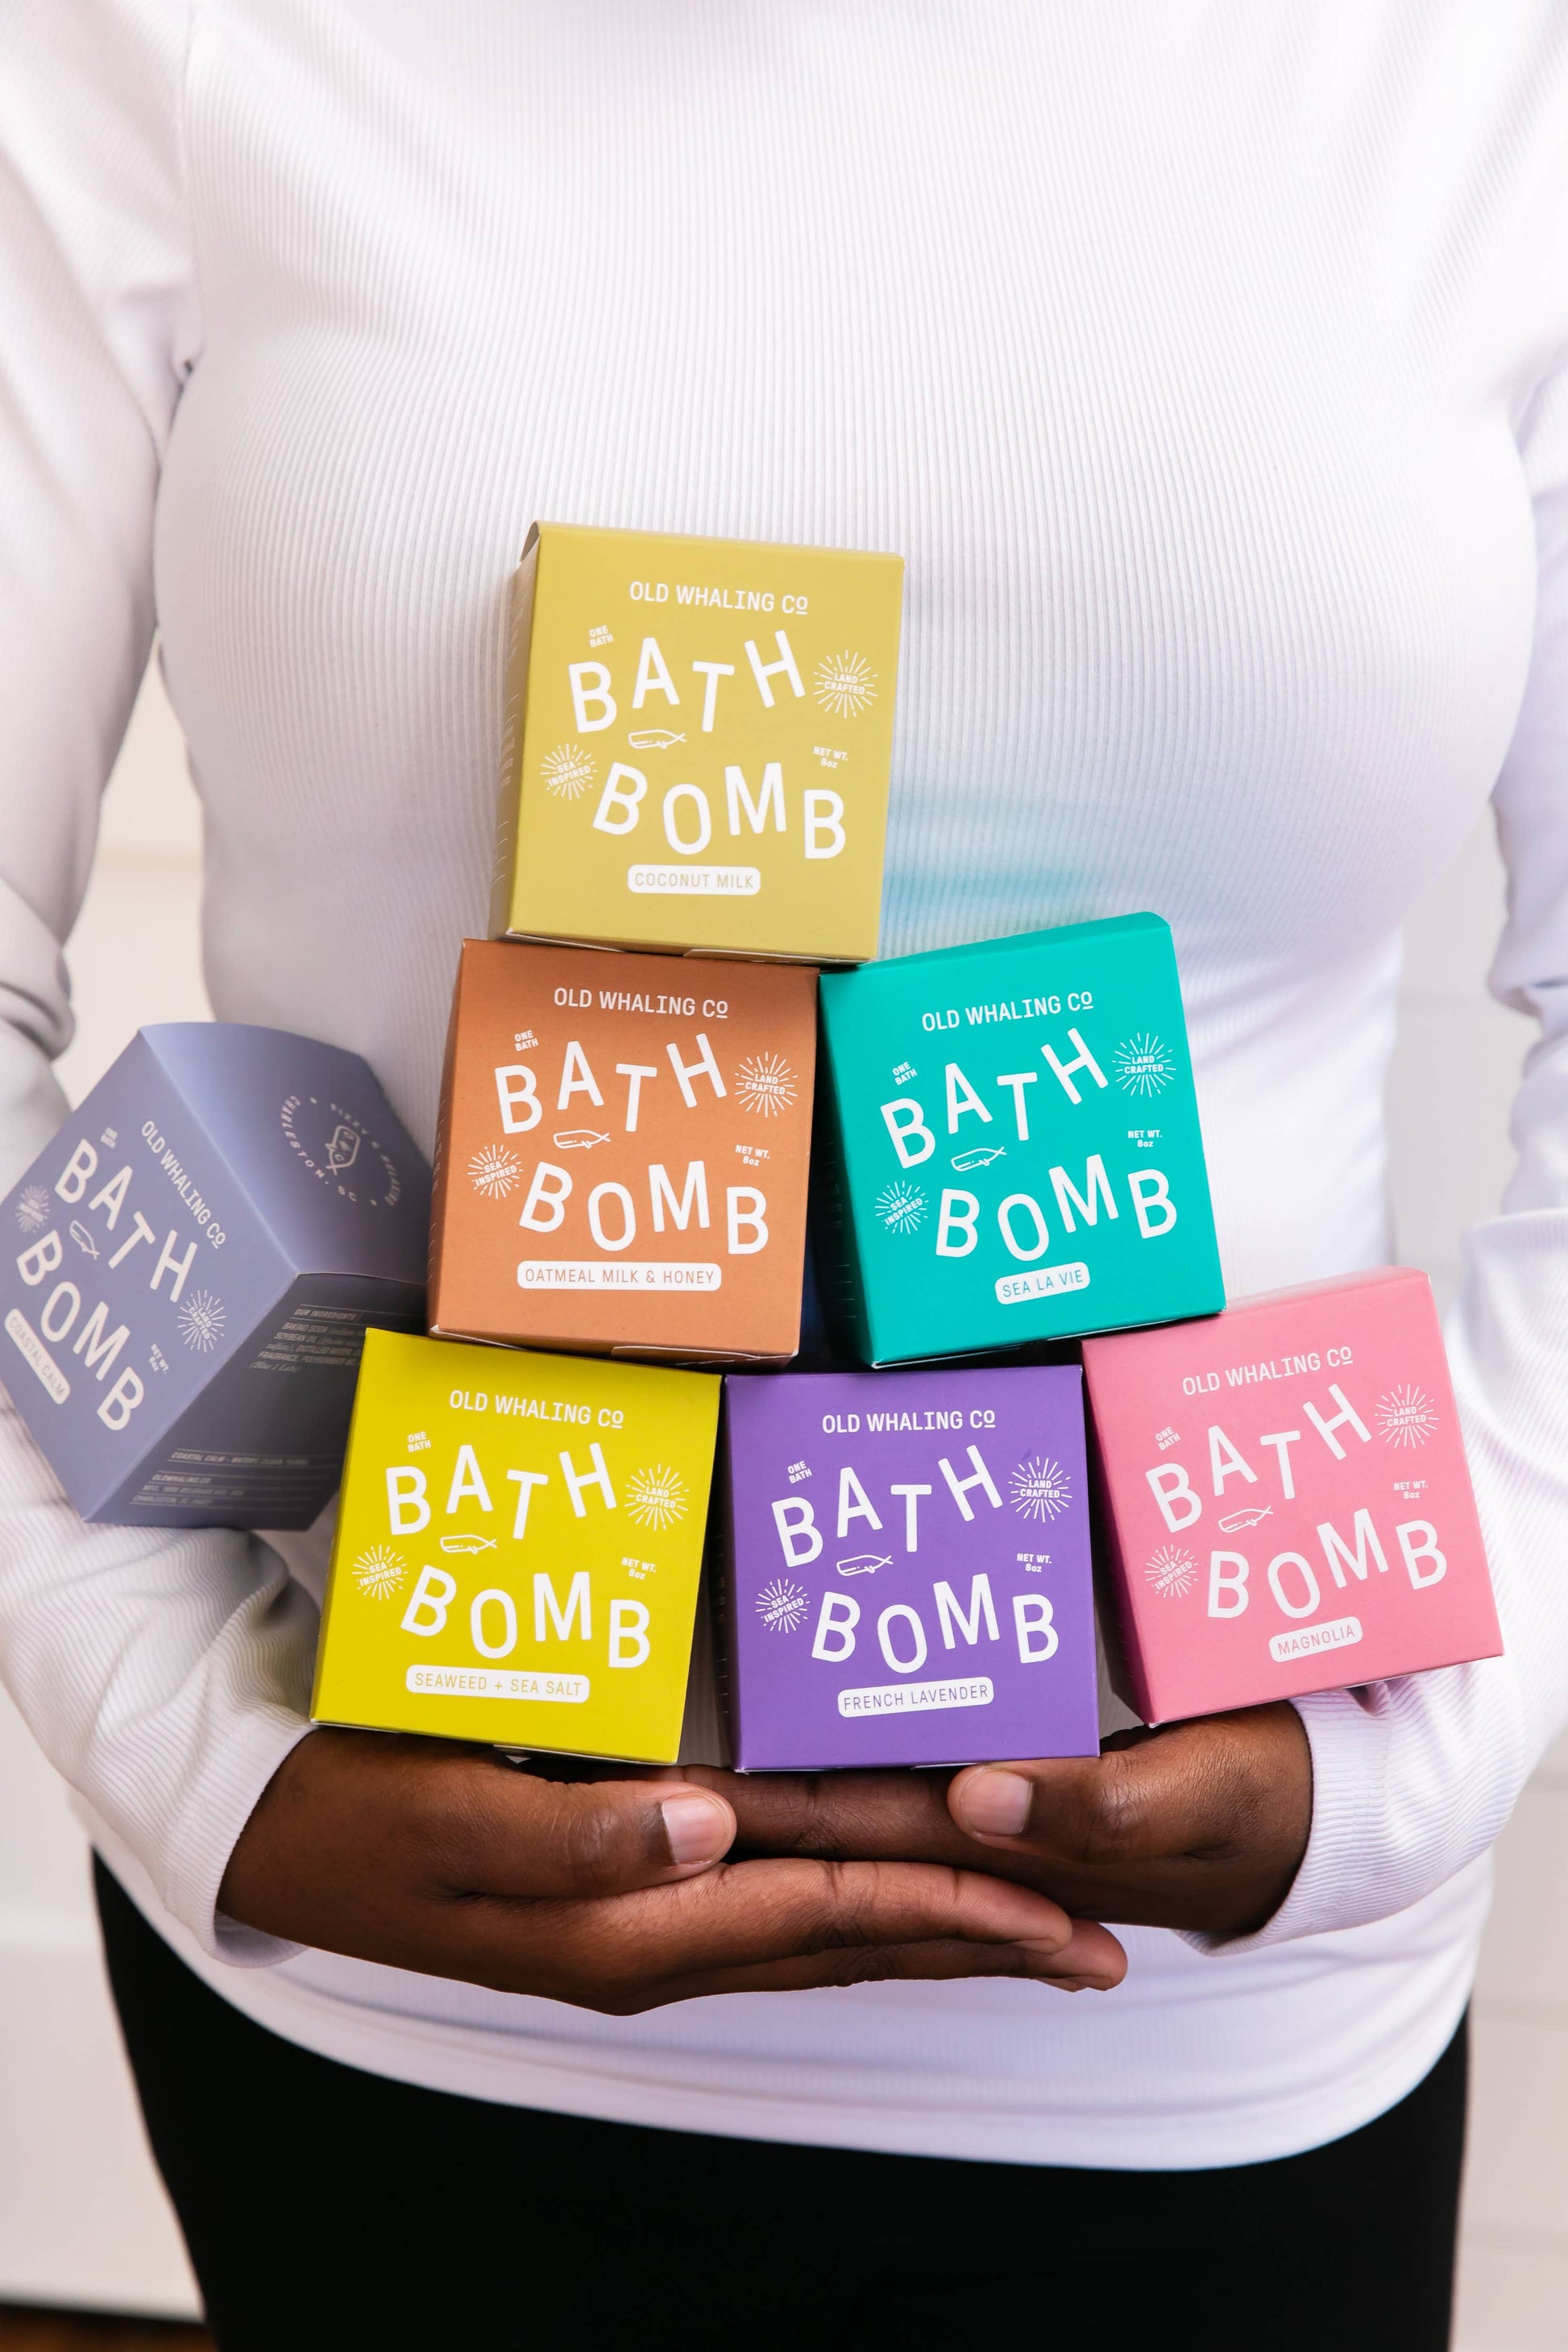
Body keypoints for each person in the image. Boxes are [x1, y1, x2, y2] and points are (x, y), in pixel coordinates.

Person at [3, 5, 1566, 2344]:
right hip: (378, 1955)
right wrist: (183, 1741)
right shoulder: (165, 40)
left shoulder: (1493, 72)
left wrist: (1408, 1778)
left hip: (1218, 2025)